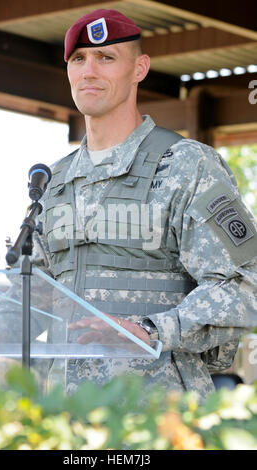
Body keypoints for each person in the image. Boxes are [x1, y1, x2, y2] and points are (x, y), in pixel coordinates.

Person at [22, 9, 257, 398]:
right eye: (78, 59)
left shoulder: (187, 165)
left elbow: (244, 283)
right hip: (68, 416)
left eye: (106, 57)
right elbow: (31, 295)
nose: (89, 71)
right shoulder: (54, 182)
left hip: (159, 414)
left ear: (140, 68)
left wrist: (152, 331)